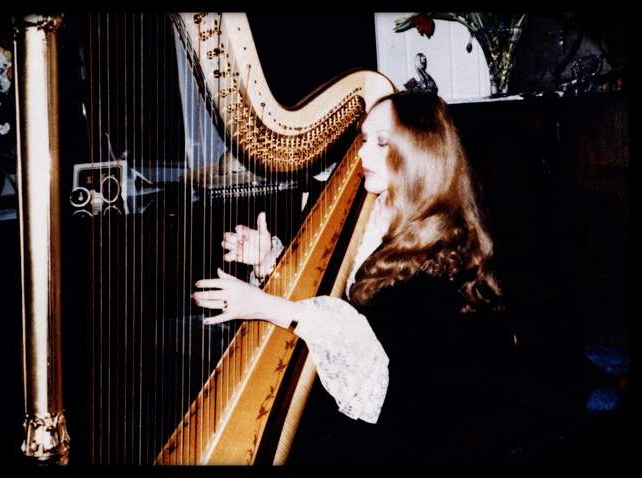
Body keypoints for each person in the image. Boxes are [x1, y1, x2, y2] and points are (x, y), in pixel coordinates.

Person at [192, 91, 518, 463]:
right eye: (364, 139)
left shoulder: (445, 253)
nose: (361, 154)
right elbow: (334, 295)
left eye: (381, 142)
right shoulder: (373, 207)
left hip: (417, 427)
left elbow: (375, 356)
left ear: (418, 155)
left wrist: (267, 306)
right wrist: (269, 262)